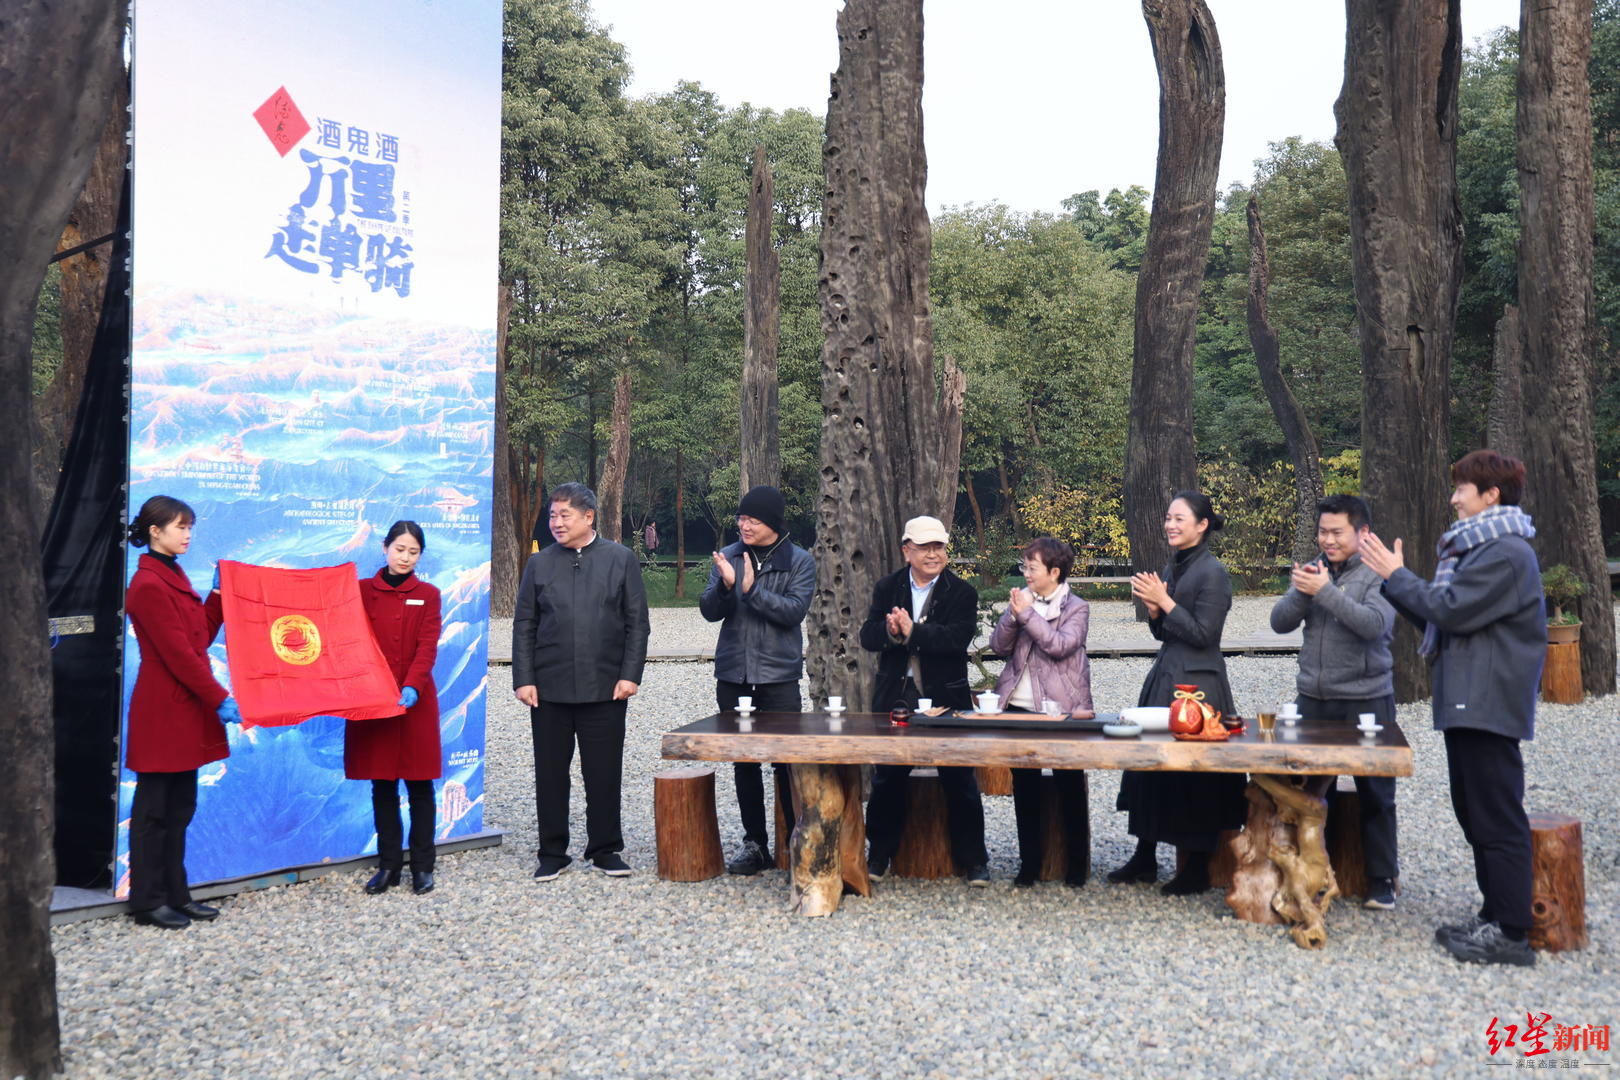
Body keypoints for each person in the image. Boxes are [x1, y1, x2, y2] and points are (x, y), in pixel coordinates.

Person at [1360, 450, 1544, 967]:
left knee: (1495, 815)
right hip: (1470, 699)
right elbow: (1441, 619)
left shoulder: (1505, 552)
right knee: (1475, 812)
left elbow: (1451, 611)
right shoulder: (1477, 550)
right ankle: (1494, 915)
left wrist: (1397, 575)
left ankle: (1512, 933)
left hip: (1487, 699)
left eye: (1462, 488)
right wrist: (1397, 582)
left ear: (1492, 495)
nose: (1453, 497)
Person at [513, 483, 651, 881]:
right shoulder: (539, 564)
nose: (555, 523)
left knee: (604, 772)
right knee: (551, 773)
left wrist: (630, 674)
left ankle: (605, 848)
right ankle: (552, 852)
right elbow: (525, 624)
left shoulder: (620, 559)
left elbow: (636, 624)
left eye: (564, 515)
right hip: (550, 688)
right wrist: (524, 678)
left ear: (588, 516)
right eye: (552, 516)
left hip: (605, 687)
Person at [1112, 490, 1246, 895]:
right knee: (1149, 766)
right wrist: (1156, 612)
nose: (1170, 525)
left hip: (1199, 685)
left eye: (1179, 519)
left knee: (1196, 772)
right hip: (1166, 675)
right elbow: (1164, 632)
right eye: (1168, 517)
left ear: (1202, 525)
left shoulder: (1213, 573)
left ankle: (1197, 865)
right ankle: (1145, 856)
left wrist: (1165, 602)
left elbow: (1206, 635)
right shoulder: (1174, 564)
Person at [1269, 494, 1400, 909]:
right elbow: (1279, 622)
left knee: (1376, 793)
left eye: (1336, 532)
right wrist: (1303, 591)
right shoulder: (1315, 567)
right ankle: (1301, 875)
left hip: (1366, 699)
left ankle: (1381, 880)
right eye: (1322, 531)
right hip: (1313, 696)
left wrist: (1324, 591)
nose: (1327, 539)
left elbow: (1374, 626)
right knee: (1302, 791)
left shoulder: (1379, 570)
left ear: (1362, 532)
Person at [123, 495, 240, 929]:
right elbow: (180, 657)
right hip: (163, 710)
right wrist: (218, 697)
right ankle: (147, 901)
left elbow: (198, 639)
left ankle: (176, 894)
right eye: (180, 527)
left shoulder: (171, 576)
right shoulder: (149, 585)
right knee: (154, 810)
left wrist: (216, 595)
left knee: (179, 808)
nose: (188, 535)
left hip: (181, 708)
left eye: (190, 527)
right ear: (155, 531)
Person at [859, 515, 989, 886]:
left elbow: (955, 638)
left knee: (960, 777)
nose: (934, 554)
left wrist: (913, 631)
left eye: (939, 546)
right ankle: (879, 854)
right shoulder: (888, 588)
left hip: (947, 695)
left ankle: (974, 859)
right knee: (887, 777)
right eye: (925, 547)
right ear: (907, 550)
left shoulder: (961, 592)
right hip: (896, 695)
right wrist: (890, 630)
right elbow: (867, 637)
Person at [699, 485, 817, 875]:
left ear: (772, 523)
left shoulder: (799, 561)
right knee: (743, 760)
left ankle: (792, 843)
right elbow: (709, 611)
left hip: (778, 674)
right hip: (733, 673)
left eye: (752, 520)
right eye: (741, 518)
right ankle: (755, 844)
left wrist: (751, 589)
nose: (743, 526)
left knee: (785, 761)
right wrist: (725, 585)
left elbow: (793, 612)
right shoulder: (730, 555)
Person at [987, 537, 1094, 888]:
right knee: (1025, 786)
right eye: (1025, 566)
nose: (1026, 573)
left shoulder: (1077, 607)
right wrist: (1014, 615)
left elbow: (1060, 645)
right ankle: (1029, 864)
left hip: (1063, 709)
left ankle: (1077, 866)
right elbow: (998, 646)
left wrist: (1027, 614)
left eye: (1032, 567)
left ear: (1055, 572)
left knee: (1069, 785)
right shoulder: (1023, 601)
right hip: (1019, 705)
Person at [348, 521, 443, 896]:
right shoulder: (358, 591)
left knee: (420, 787)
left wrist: (412, 685)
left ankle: (422, 866)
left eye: (413, 552)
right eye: (399, 549)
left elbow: (427, 644)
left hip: (414, 702)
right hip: (372, 701)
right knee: (382, 785)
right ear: (385, 548)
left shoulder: (429, 594)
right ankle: (388, 865)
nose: (405, 557)